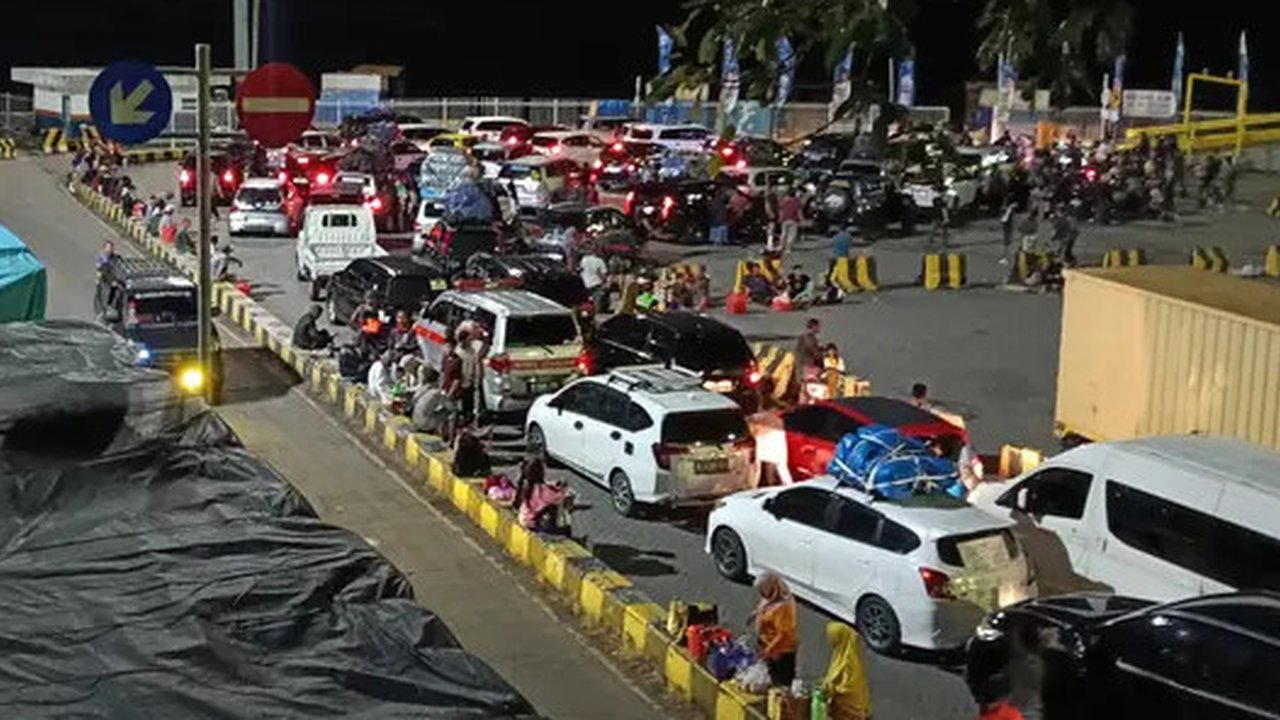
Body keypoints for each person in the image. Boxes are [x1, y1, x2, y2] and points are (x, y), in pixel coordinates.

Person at [752, 571, 798, 687]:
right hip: (767, 643)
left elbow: (783, 634)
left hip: (780, 650)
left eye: (763, 590)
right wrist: (755, 614)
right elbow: (764, 607)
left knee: (780, 681)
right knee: (768, 675)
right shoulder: (771, 597)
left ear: (771, 587)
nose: (761, 594)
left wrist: (769, 650)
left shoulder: (783, 606)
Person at [822, 623, 872, 720]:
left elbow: (845, 687)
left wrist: (829, 687)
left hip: (850, 711)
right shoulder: (843, 654)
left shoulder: (848, 663)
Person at [514, 455, 574, 535]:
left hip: (523, 518)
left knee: (546, 509)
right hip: (532, 523)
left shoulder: (526, 485)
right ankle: (554, 532)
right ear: (541, 473)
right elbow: (558, 498)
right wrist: (563, 489)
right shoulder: (543, 489)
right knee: (556, 512)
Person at [579, 243, 610, 314]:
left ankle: (587, 312)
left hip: (585, 284)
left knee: (586, 301)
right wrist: (605, 282)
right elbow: (602, 274)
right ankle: (597, 313)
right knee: (598, 300)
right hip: (596, 284)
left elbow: (581, 270)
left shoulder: (584, 259)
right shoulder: (599, 261)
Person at [793, 317, 822, 392]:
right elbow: (815, 351)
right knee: (809, 387)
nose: (819, 329)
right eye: (818, 326)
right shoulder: (809, 337)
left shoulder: (804, 337)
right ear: (814, 326)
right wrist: (822, 357)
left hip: (802, 365)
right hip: (806, 366)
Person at [777, 188, 803, 253]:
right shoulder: (797, 201)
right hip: (793, 219)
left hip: (785, 219)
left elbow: (781, 210)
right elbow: (799, 211)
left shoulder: (783, 201)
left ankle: (781, 246)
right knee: (791, 235)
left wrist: (780, 218)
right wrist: (801, 219)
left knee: (783, 233)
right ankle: (788, 248)